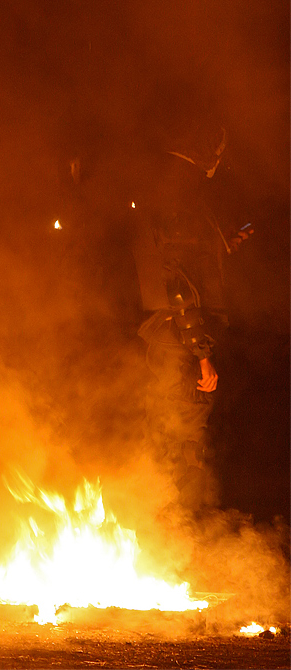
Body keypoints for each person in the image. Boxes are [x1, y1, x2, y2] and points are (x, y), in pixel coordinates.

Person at [130, 124, 252, 511]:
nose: (218, 161)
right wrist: (201, 351)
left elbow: (184, 261)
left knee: (176, 427)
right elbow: (177, 288)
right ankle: (174, 529)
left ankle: (165, 529)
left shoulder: (166, 194)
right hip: (179, 339)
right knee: (186, 433)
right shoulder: (178, 199)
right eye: (216, 152)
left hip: (170, 336)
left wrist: (223, 240)